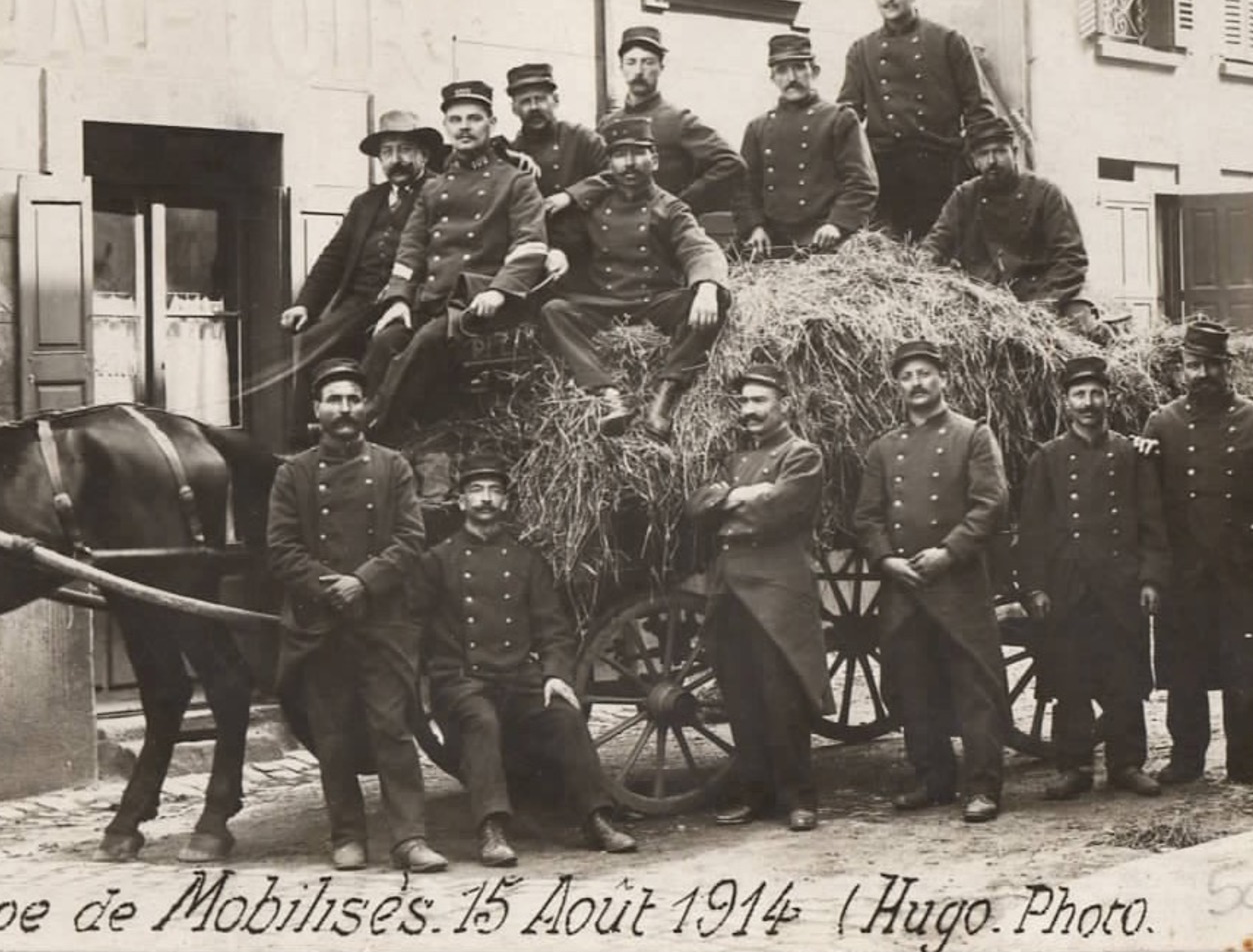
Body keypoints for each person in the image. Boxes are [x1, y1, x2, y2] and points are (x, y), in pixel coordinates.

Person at [265, 358, 447, 873]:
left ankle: (410, 839)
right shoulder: (293, 474)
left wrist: (362, 581)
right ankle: (346, 836)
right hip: (320, 627)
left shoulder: (393, 467)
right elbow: (281, 550)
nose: (344, 409)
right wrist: (331, 588)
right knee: (333, 734)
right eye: (334, 400)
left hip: (382, 622)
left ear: (365, 407)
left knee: (392, 729)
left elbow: (411, 539)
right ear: (316, 409)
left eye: (352, 399)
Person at [414, 452, 637, 866]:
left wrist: (555, 674)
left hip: (519, 678)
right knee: (480, 720)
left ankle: (597, 818)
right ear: (460, 502)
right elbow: (416, 629)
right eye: (476, 491)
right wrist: (433, 682)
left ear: (505, 503)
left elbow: (554, 629)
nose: (485, 499)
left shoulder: (526, 560)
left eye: (495, 492)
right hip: (463, 681)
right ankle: (492, 828)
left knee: (565, 715)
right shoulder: (437, 561)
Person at [852, 339, 1010, 823]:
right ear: (897, 386)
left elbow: (991, 504)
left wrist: (949, 551)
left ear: (944, 378)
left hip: (957, 584)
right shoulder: (884, 448)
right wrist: (885, 561)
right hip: (905, 587)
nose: (917, 384)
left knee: (973, 686)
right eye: (907, 376)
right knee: (912, 682)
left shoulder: (973, 435)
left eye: (925, 373)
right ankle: (933, 778)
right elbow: (867, 516)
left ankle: (983, 787)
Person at [1141, 321, 1253, 788]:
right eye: (1193, 365)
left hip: (1241, 568)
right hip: (1183, 572)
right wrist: (1154, 572)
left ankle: (1246, 760)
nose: (1202, 373)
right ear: (1180, 371)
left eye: (1211, 365)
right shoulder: (1161, 423)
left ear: (1228, 368)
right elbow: (1146, 509)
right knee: (1184, 666)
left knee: (1243, 666)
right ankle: (1186, 759)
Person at [687, 364, 834, 832]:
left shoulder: (802, 454)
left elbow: (780, 511)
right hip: (730, 591)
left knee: (782, 697)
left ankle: (799, 798)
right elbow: (697, 509)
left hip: (776, 591)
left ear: (783, 405)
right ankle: (756, 793)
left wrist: (729, 502)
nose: (748, 411)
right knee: (741, 697)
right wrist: (742, 494)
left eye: (758, 401)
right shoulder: (736, 462)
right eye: (744, 402)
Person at [1019, 356, 1168, 801]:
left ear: (1109, 398)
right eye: (1079, 395)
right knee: (1070, 680)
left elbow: (1152, 524)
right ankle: (1074, 767)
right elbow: (1032, 532)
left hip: (1120, 587)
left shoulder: (1130, 454)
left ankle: (1126, 764)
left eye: (1096, 394)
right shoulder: (1047, 459)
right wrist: (1035, 587)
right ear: (1066, 403)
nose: (1089, 403)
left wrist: (1150, 579)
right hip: (1068, 589)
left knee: (1124, 678)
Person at [366, 80, 551, 439]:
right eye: (455, 119)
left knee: (424, 343)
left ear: (492, 124)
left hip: (481, 301)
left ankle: (371, 429)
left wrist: (499, 291)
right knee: (386, 338)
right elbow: (411, 247)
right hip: (434, 300)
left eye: (474, 118)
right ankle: (367, 424)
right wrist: (399, 298)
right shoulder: (433, 188)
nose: (464, 126)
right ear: (446, 127)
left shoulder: (515, 182)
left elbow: (531, 246)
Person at [538, 116, 728, 440]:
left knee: (718, 299)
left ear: (654, 159)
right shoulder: (594, 205)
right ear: (609, 162)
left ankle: (665, 394)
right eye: (619, 155)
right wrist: (555, 252)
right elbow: (562, 236)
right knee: (554, 311)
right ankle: (608, 394)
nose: (628, 164)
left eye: (637, 153)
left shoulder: (671, 208)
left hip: (655, 302)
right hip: (606, 302)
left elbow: (699, 248)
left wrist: (708, 286)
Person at [278, 110, 442, 438]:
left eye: (405, 150)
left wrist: (408, 297)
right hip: (358, 303)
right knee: (310, 342)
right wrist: (305, 304)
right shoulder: (366, 202)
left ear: (423, 153)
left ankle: (364, 435)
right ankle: (305, 442)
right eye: (387, 152)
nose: (396, 159)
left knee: (382, 346)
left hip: (411, 304)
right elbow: (333, 258)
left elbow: (446, 257)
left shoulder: (440, 193)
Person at [838, 0, 997, 240]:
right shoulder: (862, 50)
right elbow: (848, 114)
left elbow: (979, 109)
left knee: (940, 254)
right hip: (886, 173)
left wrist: (979, 163)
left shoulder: (948, 41)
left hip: (940, 170)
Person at [567, 26, 745, 216]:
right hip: (616, 228)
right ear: (621, 68)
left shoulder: (679, 120)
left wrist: (679, 204)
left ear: (661, 67)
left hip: (662, 230)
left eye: (648, 62)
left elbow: (731, 163)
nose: (639, 71)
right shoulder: (608, 124)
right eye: (631, 62)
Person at [916, 115, 1089, 307]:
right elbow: (937, 242)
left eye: (999, 151)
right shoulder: (964, 197)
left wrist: (1044, 303)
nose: (991, 161)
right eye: (983, 154)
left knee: (1080, 322)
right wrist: (921, 269)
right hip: (983, 301)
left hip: (1039, 297)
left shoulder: (1046, 194)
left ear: (1014, 152)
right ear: (974, 161)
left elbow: (1071, 258)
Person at [734, 32, 879, 257]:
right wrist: (755, 227)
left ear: (815, 71)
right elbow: (744, 188)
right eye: (782, 70)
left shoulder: (839, 119)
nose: (791, 77)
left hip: (824, 239)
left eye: (799, 67)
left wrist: (837, 224)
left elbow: (862, 183)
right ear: (772, 78)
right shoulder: (757, 127)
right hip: (772, 240)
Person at [505, 62, 609, 275]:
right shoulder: (512, 154)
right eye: (525, 101)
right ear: (514, 108)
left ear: (556, 101)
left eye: (541, 99)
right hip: (540, 253)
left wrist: (570, 195)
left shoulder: (582, 139)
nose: (534, 107)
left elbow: (614, 175)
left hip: (591, 252)